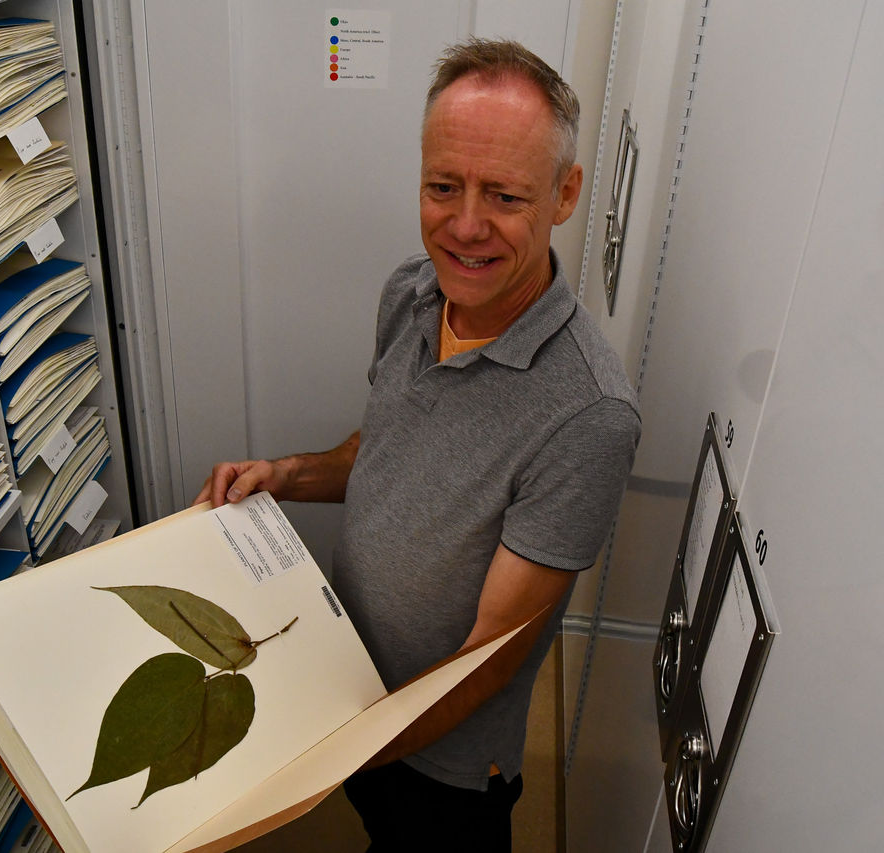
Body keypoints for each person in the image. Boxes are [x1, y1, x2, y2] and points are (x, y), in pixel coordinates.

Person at [195, 38, 640, 852]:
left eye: (504, 196)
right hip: (346, 685)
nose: (464, 227)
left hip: (445, 762)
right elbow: (390, 444)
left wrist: (325, 758)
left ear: (566, 193)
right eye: (443, 187)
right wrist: (285, 474)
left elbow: (488, 660)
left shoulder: (590, 414)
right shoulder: (410, 290)